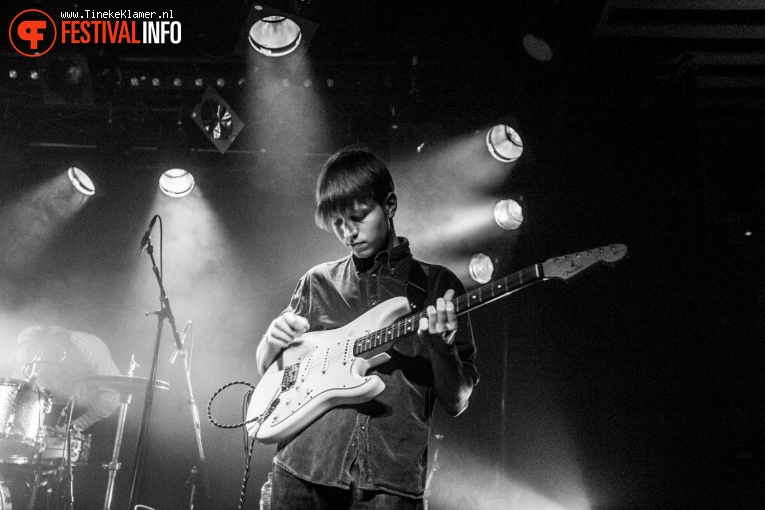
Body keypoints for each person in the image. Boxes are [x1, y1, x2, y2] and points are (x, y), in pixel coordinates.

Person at [256, 146, 480, 509]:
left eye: (358, 217)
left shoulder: (437, 286)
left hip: (389, 484)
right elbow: (272, 378)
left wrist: (442, 348)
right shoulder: (318, 283)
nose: (348, 233)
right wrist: (269, 343)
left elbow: (457, 402)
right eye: (338, 223)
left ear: (389, 205)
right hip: (302, 469)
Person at [8, 324, 121, 432]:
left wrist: (78, 424)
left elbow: (112, 397)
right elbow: (21, 391)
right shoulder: (27, 344)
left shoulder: (92, 350)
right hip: (48, 405)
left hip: (93, 412)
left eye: (49, 369)